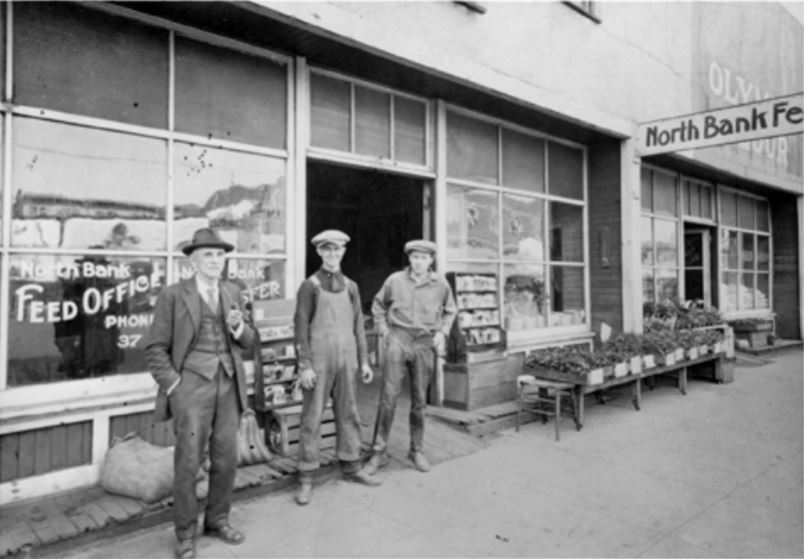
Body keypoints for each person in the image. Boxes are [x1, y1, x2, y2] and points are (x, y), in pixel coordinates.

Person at [144, 227, 256, 559]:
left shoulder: (233, 291)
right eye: (208, 254)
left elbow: (250, 341)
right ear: (193, 260)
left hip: (228, 383)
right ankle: (185, 533)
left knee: (226, 459)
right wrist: (174, 385)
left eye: (220, 255)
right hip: (191, 388)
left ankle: (217, 520)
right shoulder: (174, 295)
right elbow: (154, 347)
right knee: (189, 463)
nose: (215, 261)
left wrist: (239, 328)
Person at [293, 229, 380, 506]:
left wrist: (364, 361)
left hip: (347, 360)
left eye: (338, 249)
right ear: (319, 252)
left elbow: (358, 326)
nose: (333, 254)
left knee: (349, 412)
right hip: (318, 362)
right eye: (327, 249)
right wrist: (305, 365)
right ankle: (306, 476)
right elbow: (300, 327)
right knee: (312, 417)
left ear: (343, 252)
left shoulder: (351, 286)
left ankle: (351, 465)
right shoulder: (310, 286)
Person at [366, 239, 457, 475]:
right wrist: (385, 332)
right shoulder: (395, 280)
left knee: (419, 399)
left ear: (431, 260)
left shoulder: (440, 284)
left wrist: (443, 333)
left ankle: (416, 450)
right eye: (415, 257)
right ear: (409, 258)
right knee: (388, 396)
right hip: (398, 337)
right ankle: (378, 451)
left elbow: (450, 310)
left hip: (424, 342)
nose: (418, 262)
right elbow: (377, 306)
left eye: (424, 258)